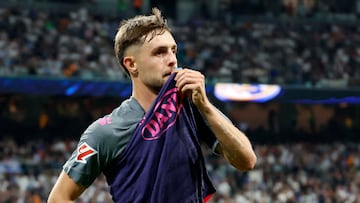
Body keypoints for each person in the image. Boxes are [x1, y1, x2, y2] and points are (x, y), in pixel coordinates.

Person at [47, 7, 257, 203]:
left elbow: (246, 160)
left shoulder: (191, 107)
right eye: (160, 52)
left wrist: (206, 107)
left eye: (173, 50)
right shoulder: (105, 131)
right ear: (131, 64)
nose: (172, 60)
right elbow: (58, 198)